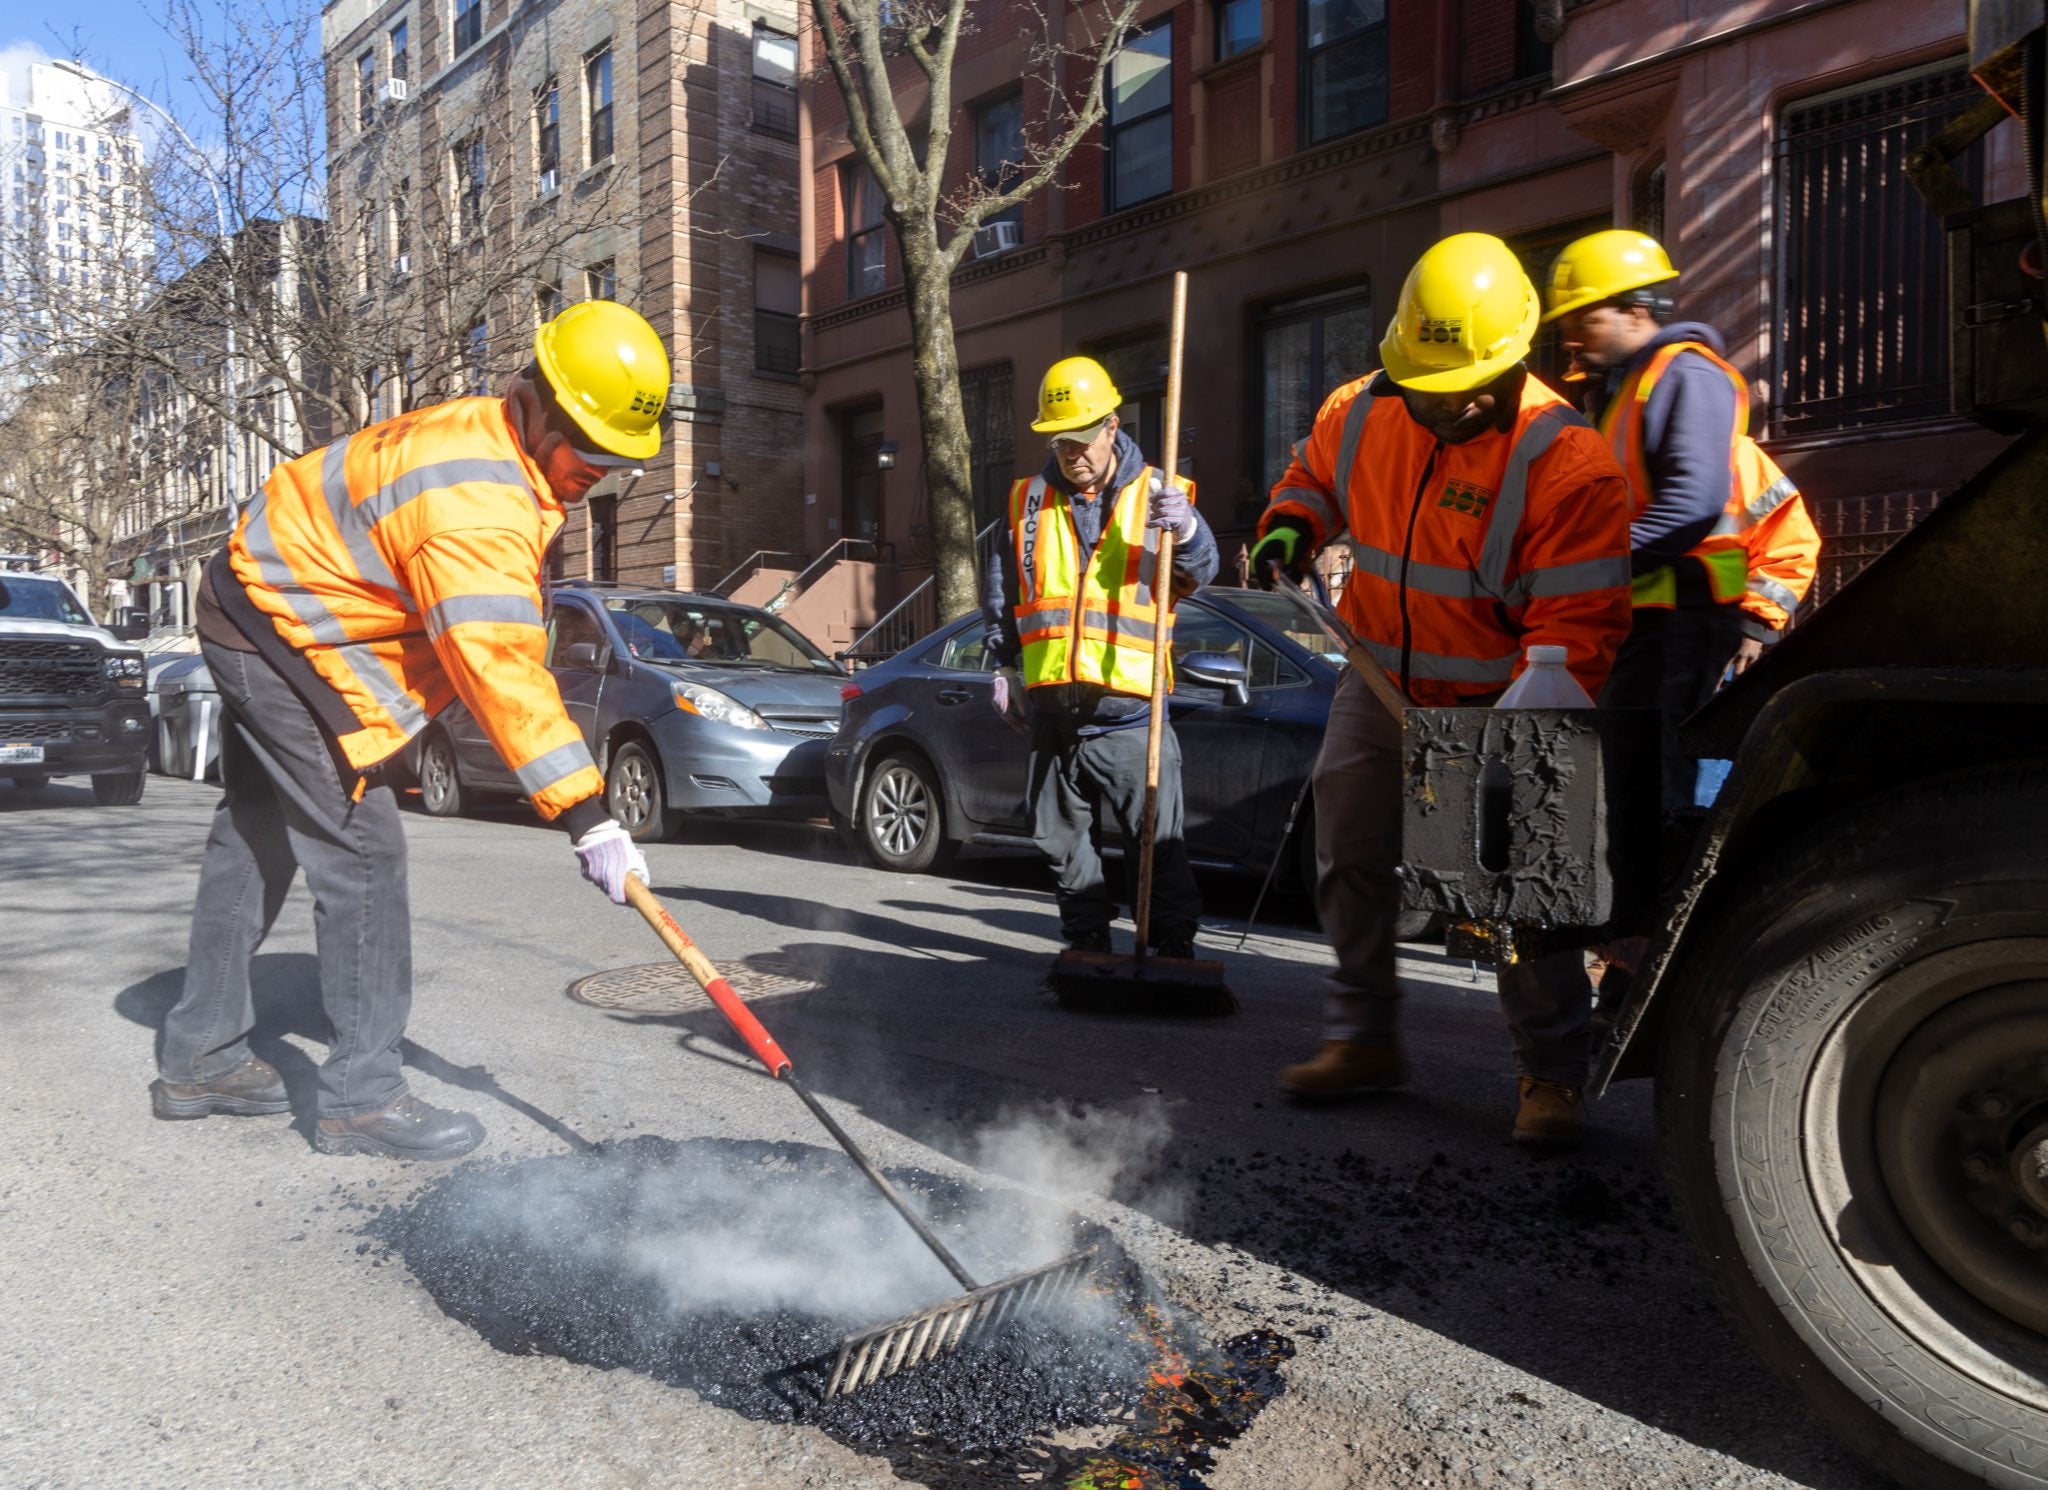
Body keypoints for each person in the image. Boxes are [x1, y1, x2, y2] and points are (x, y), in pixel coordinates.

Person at [151, 301, 669, 1161]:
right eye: (589, 446)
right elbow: (498, 665)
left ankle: (200, 1057)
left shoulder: (492, 440)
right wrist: (589, 816)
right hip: (280, 626)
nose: (599, 470)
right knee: (364, 853)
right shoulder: (478, 503)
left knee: (255, 835)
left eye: (619, 458)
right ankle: (361, 1099)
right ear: (534, 403)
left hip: (262, 596)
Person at [1249, 233, 1633, 1150]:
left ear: (1512, 360)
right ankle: (1364, 1039)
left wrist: (1525, 729)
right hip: (1378, 680)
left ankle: (1552, 1074)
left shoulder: (1569, 465)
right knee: (1348, 858)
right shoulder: (1360, 410)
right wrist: (1290, 523)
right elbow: (1312, 478)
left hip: (1505, 700)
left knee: (1522, 893)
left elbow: (1579, 626)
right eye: (1425, 386)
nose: (1444, 404)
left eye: (1464, 388)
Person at [1543, 229, 1817, 807]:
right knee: (1630, 774)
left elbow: (1690, 503)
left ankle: (1664, 863)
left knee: (1653, 782)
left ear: (1636, 310)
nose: (1571, 338)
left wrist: (1591, 566)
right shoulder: (1632, 388)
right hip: (1651, 616)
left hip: (1681, 618)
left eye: (1584, 320)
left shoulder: (1686, 375)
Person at [983, 355, 1220, 963]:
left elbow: (1199, 572)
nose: (1072, 453)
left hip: (1130, 712)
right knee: (1059, 839)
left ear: (1113, 426)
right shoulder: (1028, 501)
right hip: (1054, 711)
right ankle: (1086, 941)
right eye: (1060, 441)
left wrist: (1187, 532)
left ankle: (1172, 949)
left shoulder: (1158, 494)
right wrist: (1004, 664)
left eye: (1082, 439)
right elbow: (1007, 592)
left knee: (1157, 842)